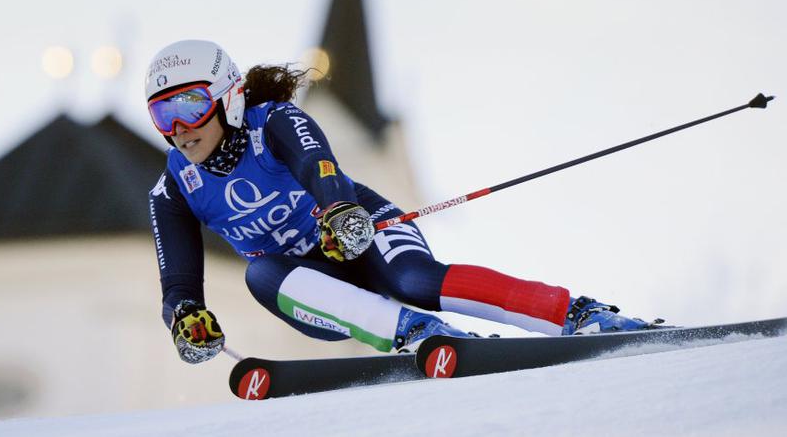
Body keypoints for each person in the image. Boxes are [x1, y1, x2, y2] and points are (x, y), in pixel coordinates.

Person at [146, 39, 652, 364]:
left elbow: (317, 165)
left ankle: (575, 314)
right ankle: (417, 333)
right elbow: (179, 285)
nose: (179, 128)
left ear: (228, 96)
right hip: (316, 288)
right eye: (162, 115)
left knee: (411, 280)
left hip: (357, 228)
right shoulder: (173, 189)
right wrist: (184, 317)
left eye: (189, 106)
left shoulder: (272, 122)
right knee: (259, 274)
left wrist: (338, 210)